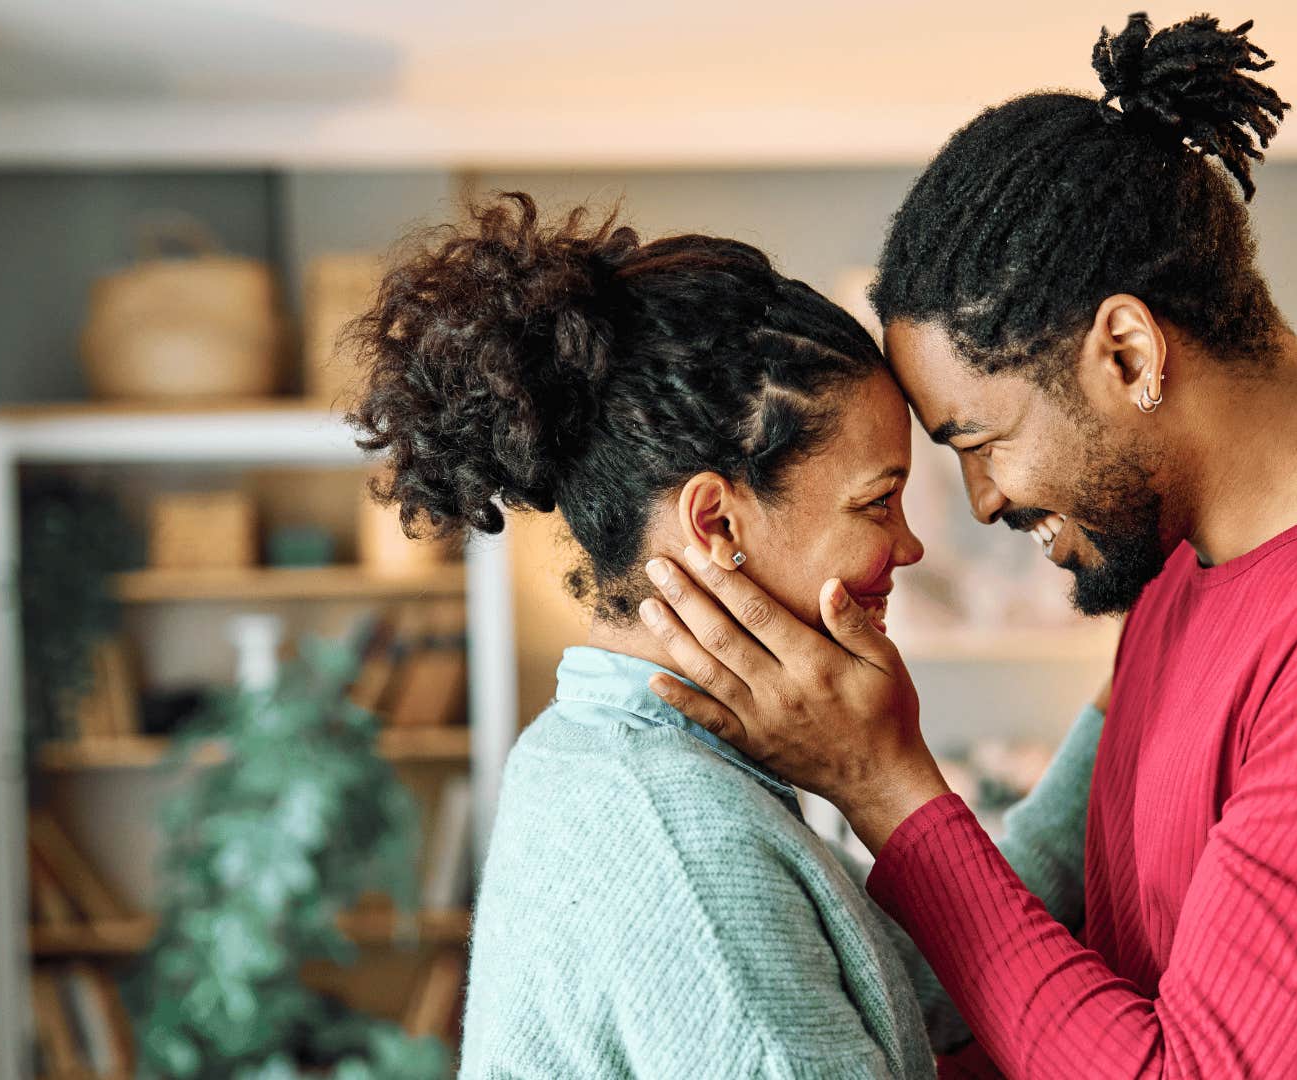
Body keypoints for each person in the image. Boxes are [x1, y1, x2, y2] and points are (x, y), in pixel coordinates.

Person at [637, 12, 1297, 1079]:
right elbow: (1101, 984)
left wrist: (887, 787)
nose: (985, 498)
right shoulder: (1186, 560)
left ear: (1129, 352)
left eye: (982, 440)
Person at [344, 192, 1100, 1078]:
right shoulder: (683, 843)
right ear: (716, 524)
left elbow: (925, 975)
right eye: (875, 502)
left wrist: (1127, 697)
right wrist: (880, 771)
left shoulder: (610, 758)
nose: (908, 545)